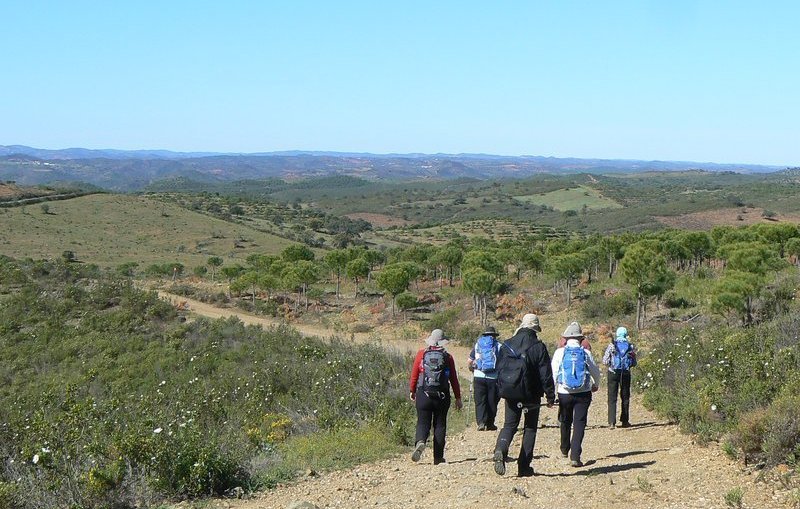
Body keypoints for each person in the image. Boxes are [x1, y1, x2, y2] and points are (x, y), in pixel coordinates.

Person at [492, 314, 556, 477]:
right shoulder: (538, 346)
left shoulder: (507, 344)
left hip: (511, 392)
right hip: (531, 394)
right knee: (530, 428)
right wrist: (550, 395)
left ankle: (501, 448)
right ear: (535, 329)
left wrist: (500, 390)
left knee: (509, 425)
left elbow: (498, 369)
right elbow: (545, 373)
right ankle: (524, 466)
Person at [551, 321, 601, 467]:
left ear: (566, 338)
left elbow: (553, 373)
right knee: (579, 423)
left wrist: (552, 393)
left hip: (564, 392)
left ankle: (564, 448)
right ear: (580, 339)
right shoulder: (585, 353)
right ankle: (575, 456)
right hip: (583, 392)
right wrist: (595, 384)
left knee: (565, 420)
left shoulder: (559, 352)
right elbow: (595, 372)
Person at [409, 328, 462, 465]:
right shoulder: (448, 357)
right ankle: (438, 457)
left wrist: (412, 390)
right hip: (442, 395)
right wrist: (458, 397)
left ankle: (420, 441)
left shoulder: (421, 354)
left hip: (423, 393)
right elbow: (453, 378)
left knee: (422, 422)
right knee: (440, 425)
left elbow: (414, 374)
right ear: (443, 341)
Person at [602, 326, 638, 429]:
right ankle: (625, 421)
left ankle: (611, 422)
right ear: (626, 334)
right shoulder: (630, 346)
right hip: (625, 373)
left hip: (613, 373)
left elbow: (605, 361)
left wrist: (611, 365)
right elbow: (634, 363)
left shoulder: (612, 345)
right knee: (625, 397)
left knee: (612, 397)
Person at [468, 325, 501, 431]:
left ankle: (481, 423)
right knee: (492, 400)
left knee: (480, 400)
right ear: (494, 336)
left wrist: (472, 369)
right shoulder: (499, 346)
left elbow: (470, 361)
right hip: (493, 377)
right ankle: (490, 423)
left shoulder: (478, 344)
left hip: (478, 376)